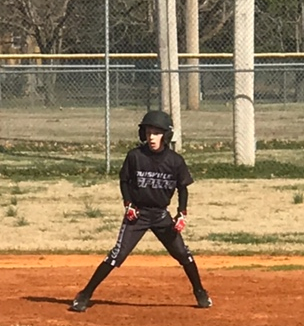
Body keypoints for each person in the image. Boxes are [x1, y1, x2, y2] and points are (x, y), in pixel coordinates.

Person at [69, 110, 212, 312]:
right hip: (138, 215)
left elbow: (182, 187)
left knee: (183, 254)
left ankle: (200, 291)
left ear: (166, 135)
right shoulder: (135, 156)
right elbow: (125, 181)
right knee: (116, 256)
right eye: (148, 132)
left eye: (156, 133)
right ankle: (84, 295)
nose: (151, 137)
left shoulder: (175, 161)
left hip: (161, 215)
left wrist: (182, 213)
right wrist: (128, 204)